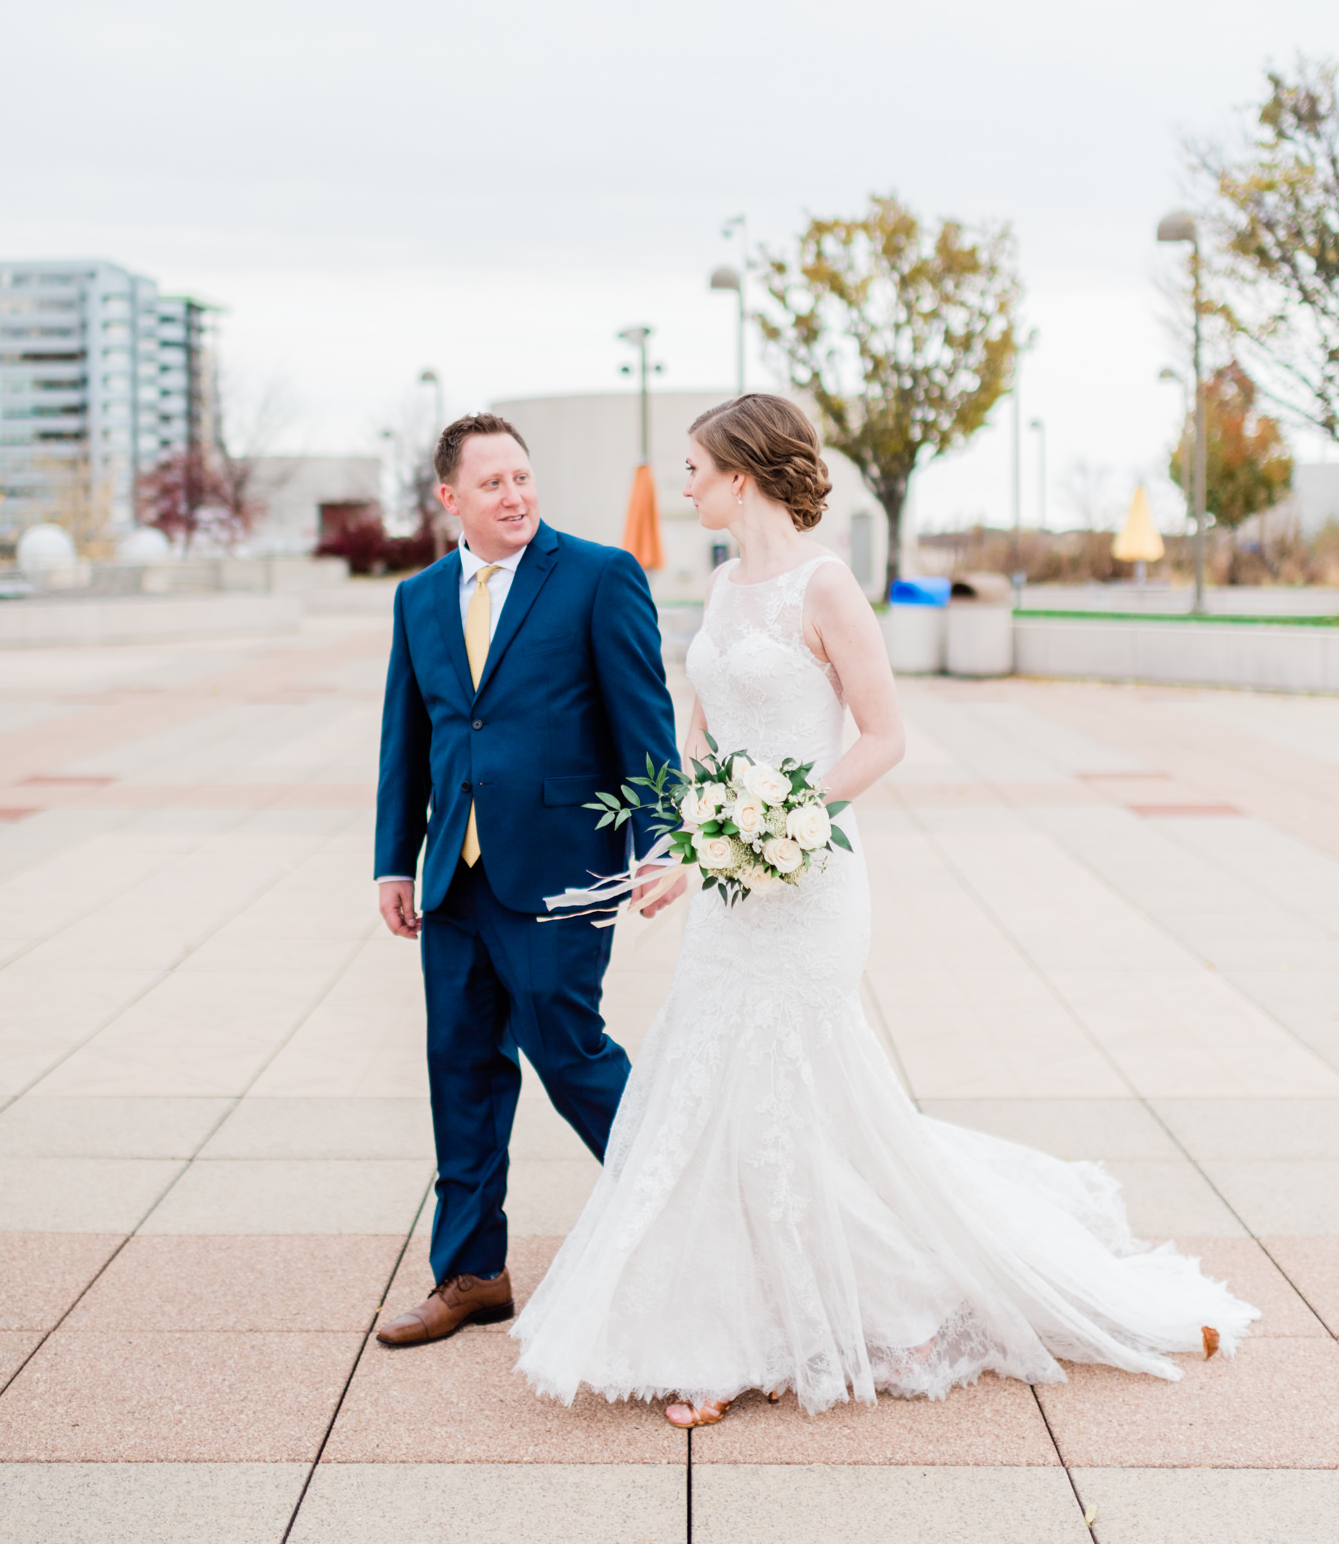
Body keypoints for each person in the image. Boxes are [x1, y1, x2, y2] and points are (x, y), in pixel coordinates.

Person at [514, 393, 1256, 1422]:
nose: (682, 484)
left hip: (810, 877)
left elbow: (881, 737)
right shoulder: (719, 591)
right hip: (732, 891)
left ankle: (898, 1299)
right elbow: (696, 744)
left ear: (741, 473)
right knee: (714, 1093)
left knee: (794, 1092)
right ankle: (722, 1331)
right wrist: (687, 848)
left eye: (692, 467)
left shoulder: (826, 589)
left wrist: (780, 812)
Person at [373, 412, 683, 1348]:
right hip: (452, 879)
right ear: (450, 499)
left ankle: (689, 1216)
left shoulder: (596, 576)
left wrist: (658, 841)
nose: (515, 496)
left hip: (558, 869)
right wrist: (394, 859)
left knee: (569, 1052)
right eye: (493, 484)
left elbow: (646, 721)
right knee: (460, 1067)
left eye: (523, 478)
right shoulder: (420, 597)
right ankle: (472, 1273)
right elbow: (411, 736)